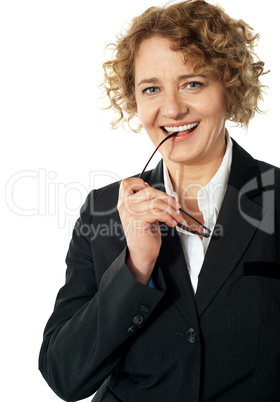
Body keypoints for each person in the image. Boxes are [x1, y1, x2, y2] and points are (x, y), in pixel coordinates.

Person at [39, 1, 280, 401]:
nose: (171, 109)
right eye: (152, 89)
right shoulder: (102, 210)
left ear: (230, 88)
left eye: (193, 84)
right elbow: (65, 375)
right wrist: (135, 265)